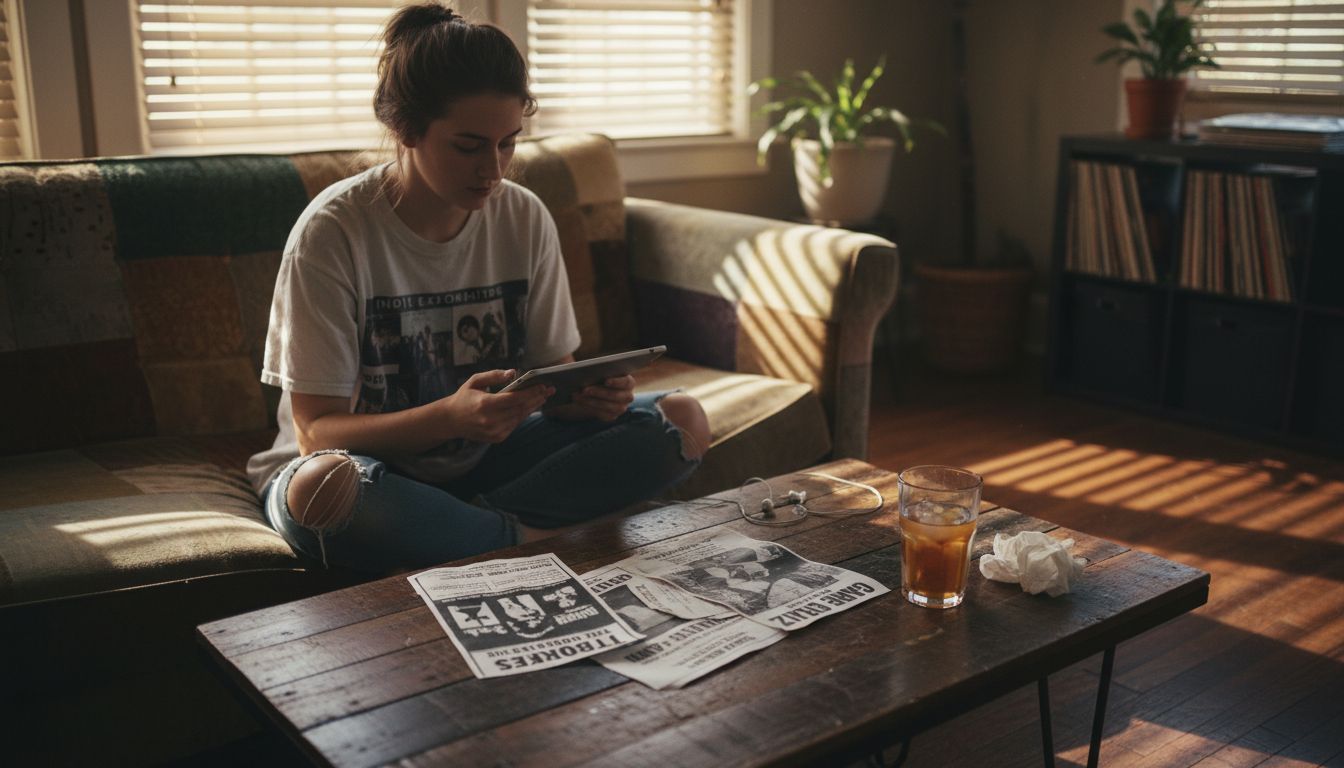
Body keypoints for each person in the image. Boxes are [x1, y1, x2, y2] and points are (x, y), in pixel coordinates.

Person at [245, 1, 710, 572]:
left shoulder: (523, 216)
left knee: (681, 421)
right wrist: (449, 418)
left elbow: (550, 383)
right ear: (405, 128)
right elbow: (318, 434)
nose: (493, 170)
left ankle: (470, 535)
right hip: (365, 470)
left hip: (487, 460)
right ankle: (536, 540)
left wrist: (588, 401)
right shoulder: (333, 232)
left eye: (508, 143)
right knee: (327, 490)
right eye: (468, 146)